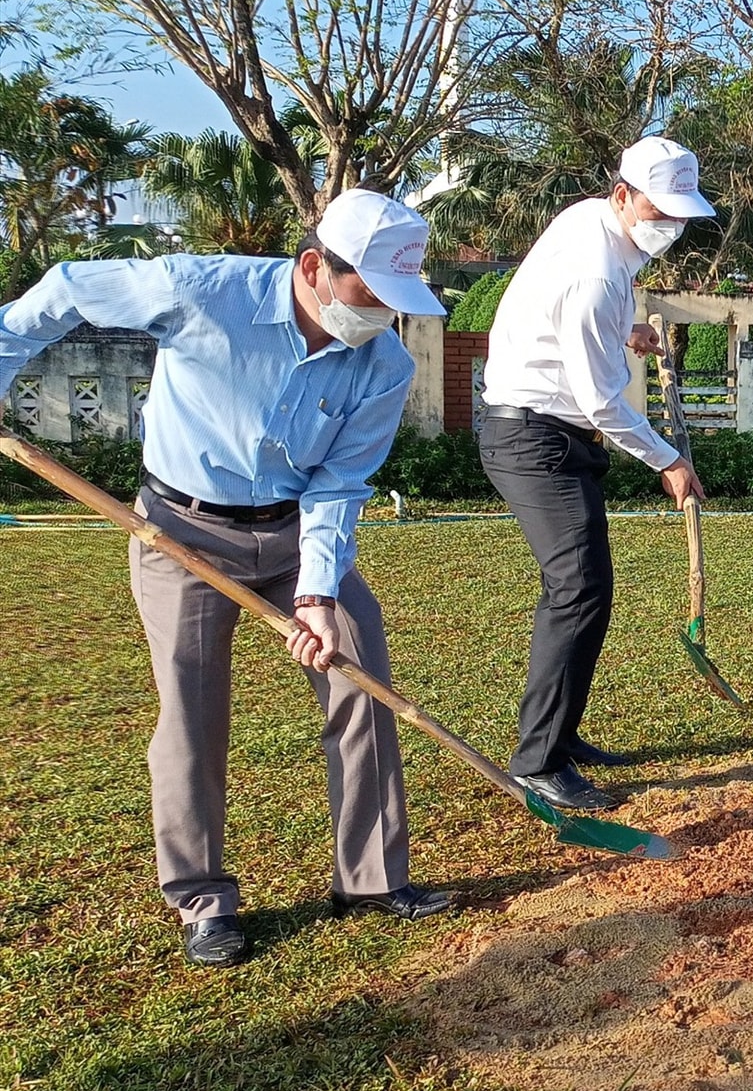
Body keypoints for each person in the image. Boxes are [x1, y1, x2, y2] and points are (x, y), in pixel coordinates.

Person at [0, 189, 455, 967]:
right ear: (314, 266)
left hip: (292, 533)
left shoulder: (383, 363)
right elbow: (70, 287)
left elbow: (338, 484)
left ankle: (373, 879)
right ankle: (203, 899)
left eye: (396, 299)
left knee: (358, 670)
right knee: (190, 709)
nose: (382, 312)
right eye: (369, 293)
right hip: (179, 529)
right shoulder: (200, 291)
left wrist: (315, 594)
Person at [479, 137, 711, 812]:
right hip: (533, 434)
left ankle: (562, 732)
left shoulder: (597, 231)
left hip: (553, 428)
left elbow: (573, 329)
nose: (670, 225)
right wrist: (667, 459)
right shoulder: (597, 273)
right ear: (622, 195)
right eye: (659, 209)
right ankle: (539, 761)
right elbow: (601, 402)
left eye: (679, 213)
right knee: (577, 584)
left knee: (588, 585)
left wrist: (624, 334)